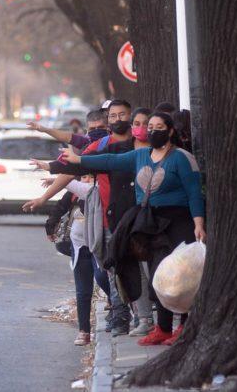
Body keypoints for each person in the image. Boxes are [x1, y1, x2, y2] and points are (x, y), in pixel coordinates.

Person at [60, 111, 205, 347]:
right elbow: (109, 161)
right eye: (151, 127)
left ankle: (184, 327)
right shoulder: (140, 155)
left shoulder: (182, 158)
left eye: (159, 127)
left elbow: (194, 193)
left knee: (183, 276)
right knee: (158, 277)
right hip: (151, 223)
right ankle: (163, 328)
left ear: (170, 131)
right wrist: (79, 160)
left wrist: (199, 224)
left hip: (180, 222)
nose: (153, 131)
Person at [26, 99, 135, 335]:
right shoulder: (99, 145)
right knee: (111, 268)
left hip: (138, 214)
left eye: (122, 115)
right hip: (108, 216)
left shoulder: (139, 144)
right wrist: (44, 197)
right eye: (113, 116)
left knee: (136, 268)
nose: (117, 120)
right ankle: (120, 314)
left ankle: (141, 315)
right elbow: (72, 167)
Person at [45, 175, 103, 345]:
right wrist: (50, 225)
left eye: (88, 177)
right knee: (82, 290)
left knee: (102, 278)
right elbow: (60, 207)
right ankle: (83, 331)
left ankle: (120, 311)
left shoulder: (99, 189)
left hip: (100, 246)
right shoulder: (74, 193)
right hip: (78, 246)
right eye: (82, 177)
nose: (85, 180)